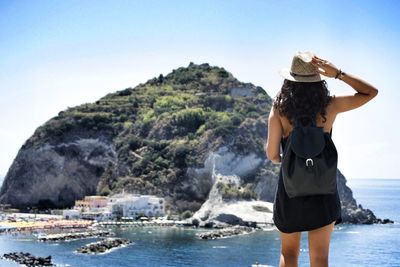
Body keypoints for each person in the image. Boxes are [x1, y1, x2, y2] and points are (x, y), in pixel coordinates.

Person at [265, 51, 378, 267]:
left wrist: (284, 159)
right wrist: (339, 74)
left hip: (290, 192)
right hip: (323, 190)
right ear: (318, 79)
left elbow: (272, 154)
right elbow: (370, 92)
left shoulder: (279, 108)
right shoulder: (330, 105)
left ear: (290, 80)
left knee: (288, 254)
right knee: (320, 257)